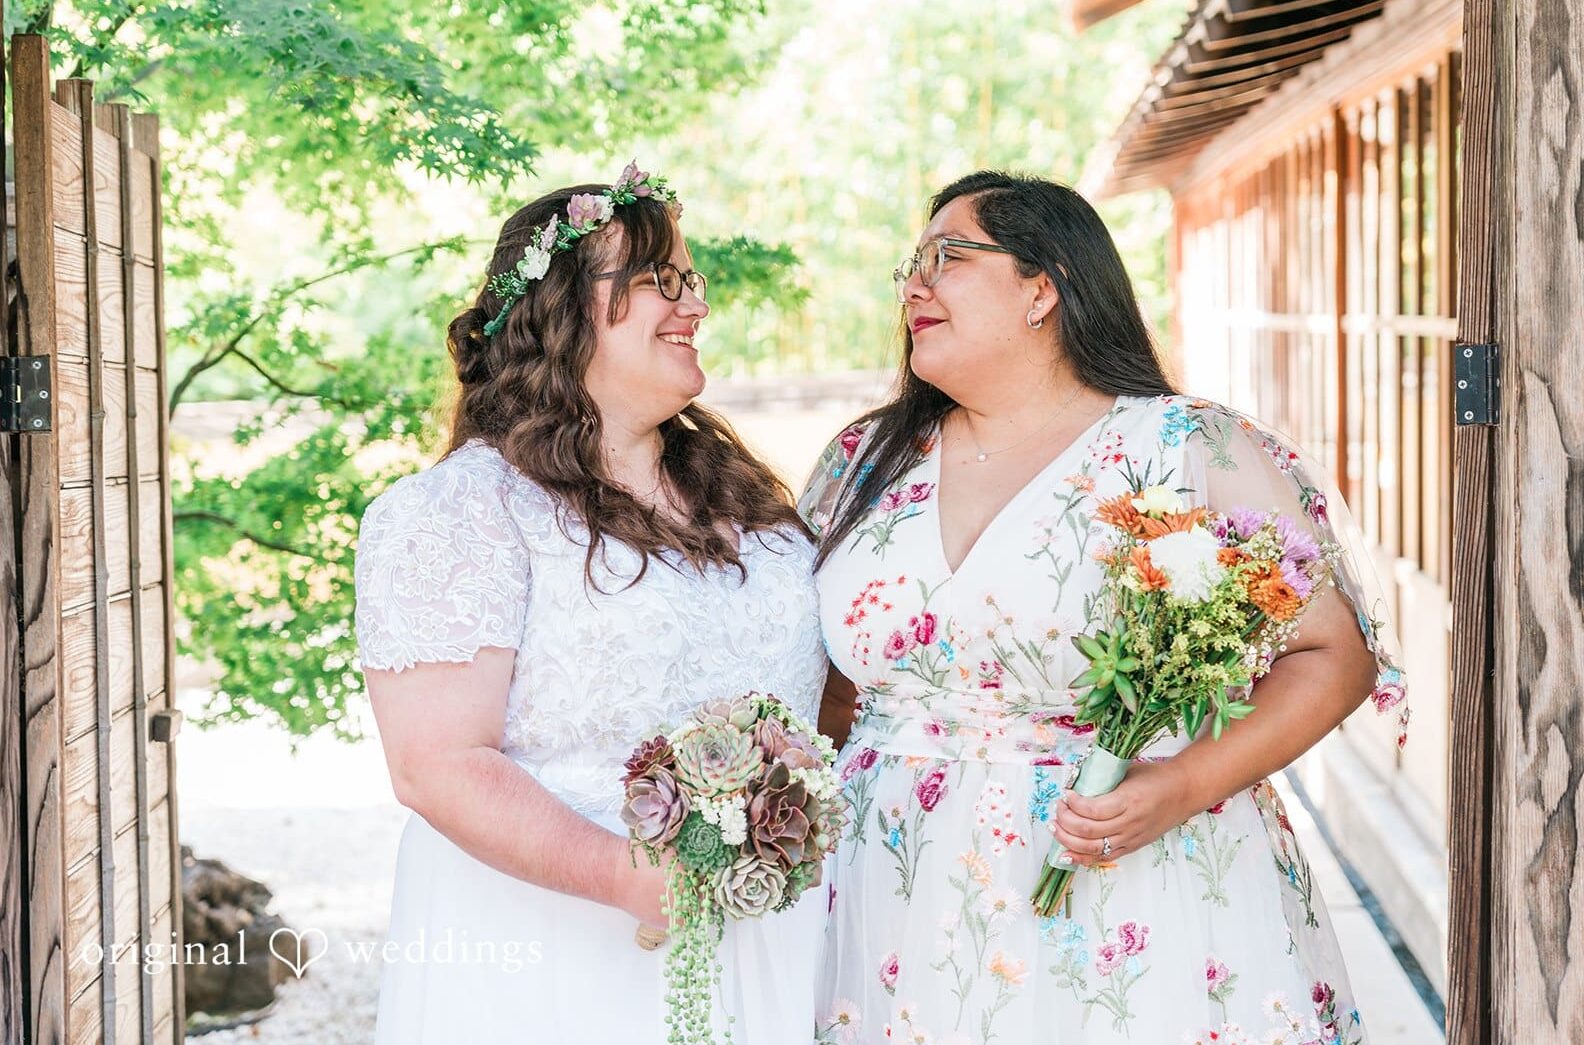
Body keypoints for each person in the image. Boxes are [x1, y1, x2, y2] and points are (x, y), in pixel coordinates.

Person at [800, 170, 1409, 1045]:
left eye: (949, 256)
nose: (913, 283)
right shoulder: (865, 457)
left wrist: (1182, 783)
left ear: (1042, 286)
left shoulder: (1184, 447)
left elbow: (1334, 655)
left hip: (1133, 888)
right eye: (912, 263)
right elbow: (810, 680)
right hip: (893, 897)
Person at [354, 163, 828, 1043]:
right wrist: (626, 875)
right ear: (563, 312)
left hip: (758, 936)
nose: (694, 304)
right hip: (552, 951)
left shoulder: (745, 502)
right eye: (658, 281)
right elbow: (437, 762)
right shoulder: (460, 512)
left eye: (690, 280)